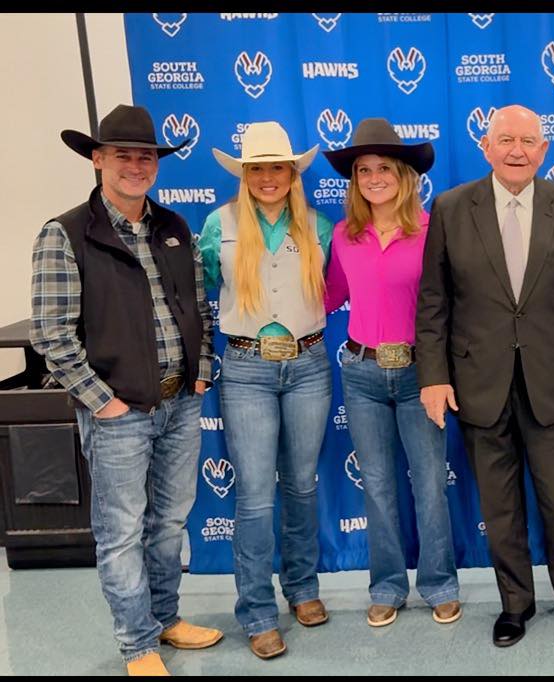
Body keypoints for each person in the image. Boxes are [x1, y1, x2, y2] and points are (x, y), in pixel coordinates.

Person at [30, 104, 221, 676]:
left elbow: (198, 308)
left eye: (145, 156)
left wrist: (202, 368)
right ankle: (138, 644)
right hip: (120, 412)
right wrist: (103, 402)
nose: (136, 166)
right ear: (97, 160)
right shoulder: (65, 235)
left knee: (169, 522)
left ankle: (165, 619)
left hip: (180, 402)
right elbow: (52, 335)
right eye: (122, 156)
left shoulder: (173, 228)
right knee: (120, 533)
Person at [415, 104, 554, 648]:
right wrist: (433, 376)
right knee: (499, 505)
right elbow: (434, 302)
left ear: (544, 150)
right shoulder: (451, 208)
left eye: (528, 141)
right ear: (486, 146)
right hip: (480, 383)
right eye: (506, 140)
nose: (517, 150)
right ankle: (514, 604)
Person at [199, 121, 334, 659]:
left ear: (292, 173)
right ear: (245, 174)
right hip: (248, 367)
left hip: (308, 364)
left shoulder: (318, 227)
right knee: (255, 496)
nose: (268, 177)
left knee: (301, 485)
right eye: (257, 168)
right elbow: (206, 282)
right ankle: (256, 612)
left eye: (278, 167)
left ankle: (302, 589)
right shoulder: (219, 224)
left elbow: (338, 286)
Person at [322, 118, 462, 628]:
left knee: (429, 484)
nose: (374, 177)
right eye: (363, 170)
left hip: (419, 375)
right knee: (377, 486)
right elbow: (329, 295)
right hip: (359, 371)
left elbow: (450, 305)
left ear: (404, 176)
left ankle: (440, 584)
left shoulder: (431, 230)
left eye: (384, 168)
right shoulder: (343, 234)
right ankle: (385, 587)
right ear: (355, 179)